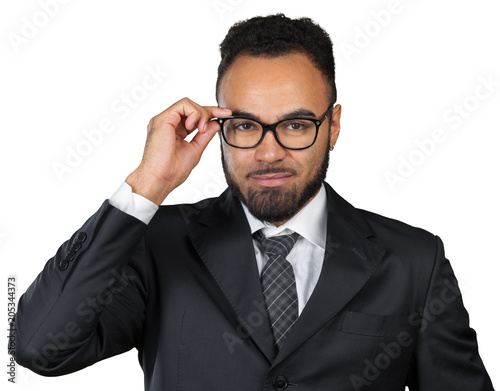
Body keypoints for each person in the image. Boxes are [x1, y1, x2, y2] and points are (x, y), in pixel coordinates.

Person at [11, 14, 495, 391]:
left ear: (334, 126)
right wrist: (147, 185)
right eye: (245, 125)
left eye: (297, 124)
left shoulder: (414, 260)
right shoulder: (158, 244)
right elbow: (37, 348)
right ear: (218, 128)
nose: (268, 152)